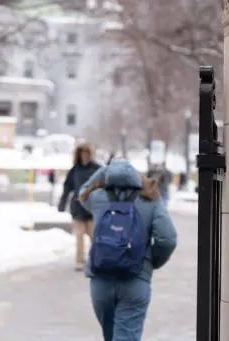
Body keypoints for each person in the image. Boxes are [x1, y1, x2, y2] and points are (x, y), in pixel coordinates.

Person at [79, 160, 177, 341]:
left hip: (101, 280)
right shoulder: (150, 200)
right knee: (126, 336)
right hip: (135, 279)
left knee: (111, 336)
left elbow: (82, 192)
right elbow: (168, 238)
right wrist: (151, 261)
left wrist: (105, 170)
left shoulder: (98, 198)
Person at [58, 143, 102, 270]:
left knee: (94, 236)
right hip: (77, 208)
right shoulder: (75, 170)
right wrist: (62, 202)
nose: (84, 156)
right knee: (79, 235)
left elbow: (104, 186)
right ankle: (80, 261)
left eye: (86, 153)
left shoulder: (97, 169)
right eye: (82, 153)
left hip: (92, 208)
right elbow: (67, 187)